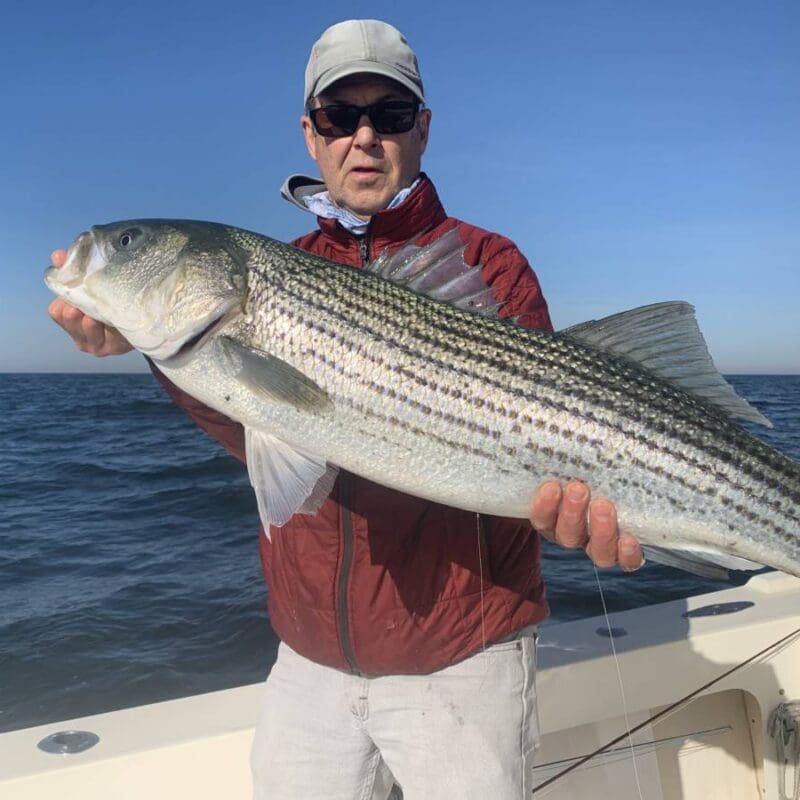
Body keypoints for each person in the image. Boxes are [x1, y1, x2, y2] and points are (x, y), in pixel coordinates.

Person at [48, 19, 643, 799]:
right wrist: (155, 349)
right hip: (312, 658)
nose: (363, 137)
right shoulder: (281, 270)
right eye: (339, 116)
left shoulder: (490, 265)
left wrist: (578, 514)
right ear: (310, 134)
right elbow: (265, 427)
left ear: (422, 130)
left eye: (390, 115)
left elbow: (537, 446)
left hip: (461, 657)